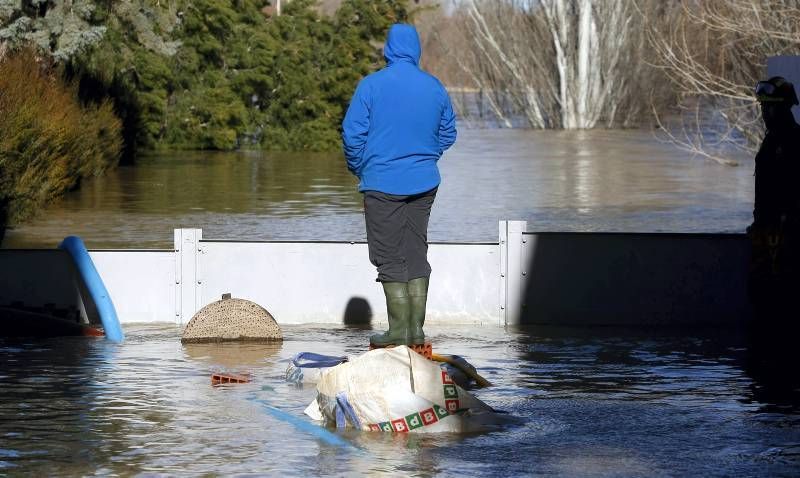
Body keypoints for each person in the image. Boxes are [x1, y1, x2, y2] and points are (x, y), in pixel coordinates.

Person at [341, 23, 457, 347]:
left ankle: (397, 332)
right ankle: (416, 331)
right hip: (424, 183)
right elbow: (448, 134)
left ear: (388, 49)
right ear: (416, 49)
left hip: (381, 183)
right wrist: (426, 156)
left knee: (389, 255)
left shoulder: (371, 86)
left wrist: (360, 166)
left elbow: (352, 135)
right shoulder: (434, 87)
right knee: (415, 249)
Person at [748, 76, 800, 322]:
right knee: (763, 295)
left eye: (770, 106)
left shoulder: (793, 141)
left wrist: (786, 224)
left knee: (782, 297)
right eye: (762, 106)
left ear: (782, 107)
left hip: (787, 237)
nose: (764, 112)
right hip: (766, 233)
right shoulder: (772, 140)